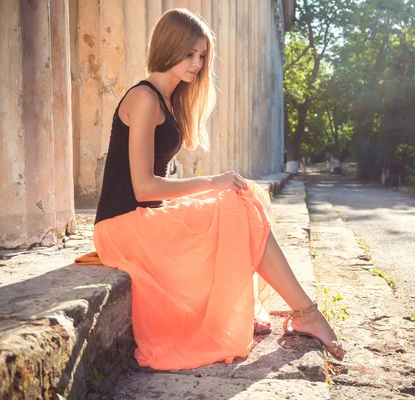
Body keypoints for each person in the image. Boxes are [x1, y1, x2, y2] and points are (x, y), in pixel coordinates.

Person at [93, 8, 345, 371]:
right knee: (234, 203)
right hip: (122, 226)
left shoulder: (168, 99)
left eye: (202, 56)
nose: (197, 64)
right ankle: (306, 312)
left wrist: (214, 189)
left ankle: (302, 312)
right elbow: (144, 187)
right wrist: (213, 182)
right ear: (168, 47)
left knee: (244, 199)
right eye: (190, 54)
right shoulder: (145, 98)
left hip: (146, 217)